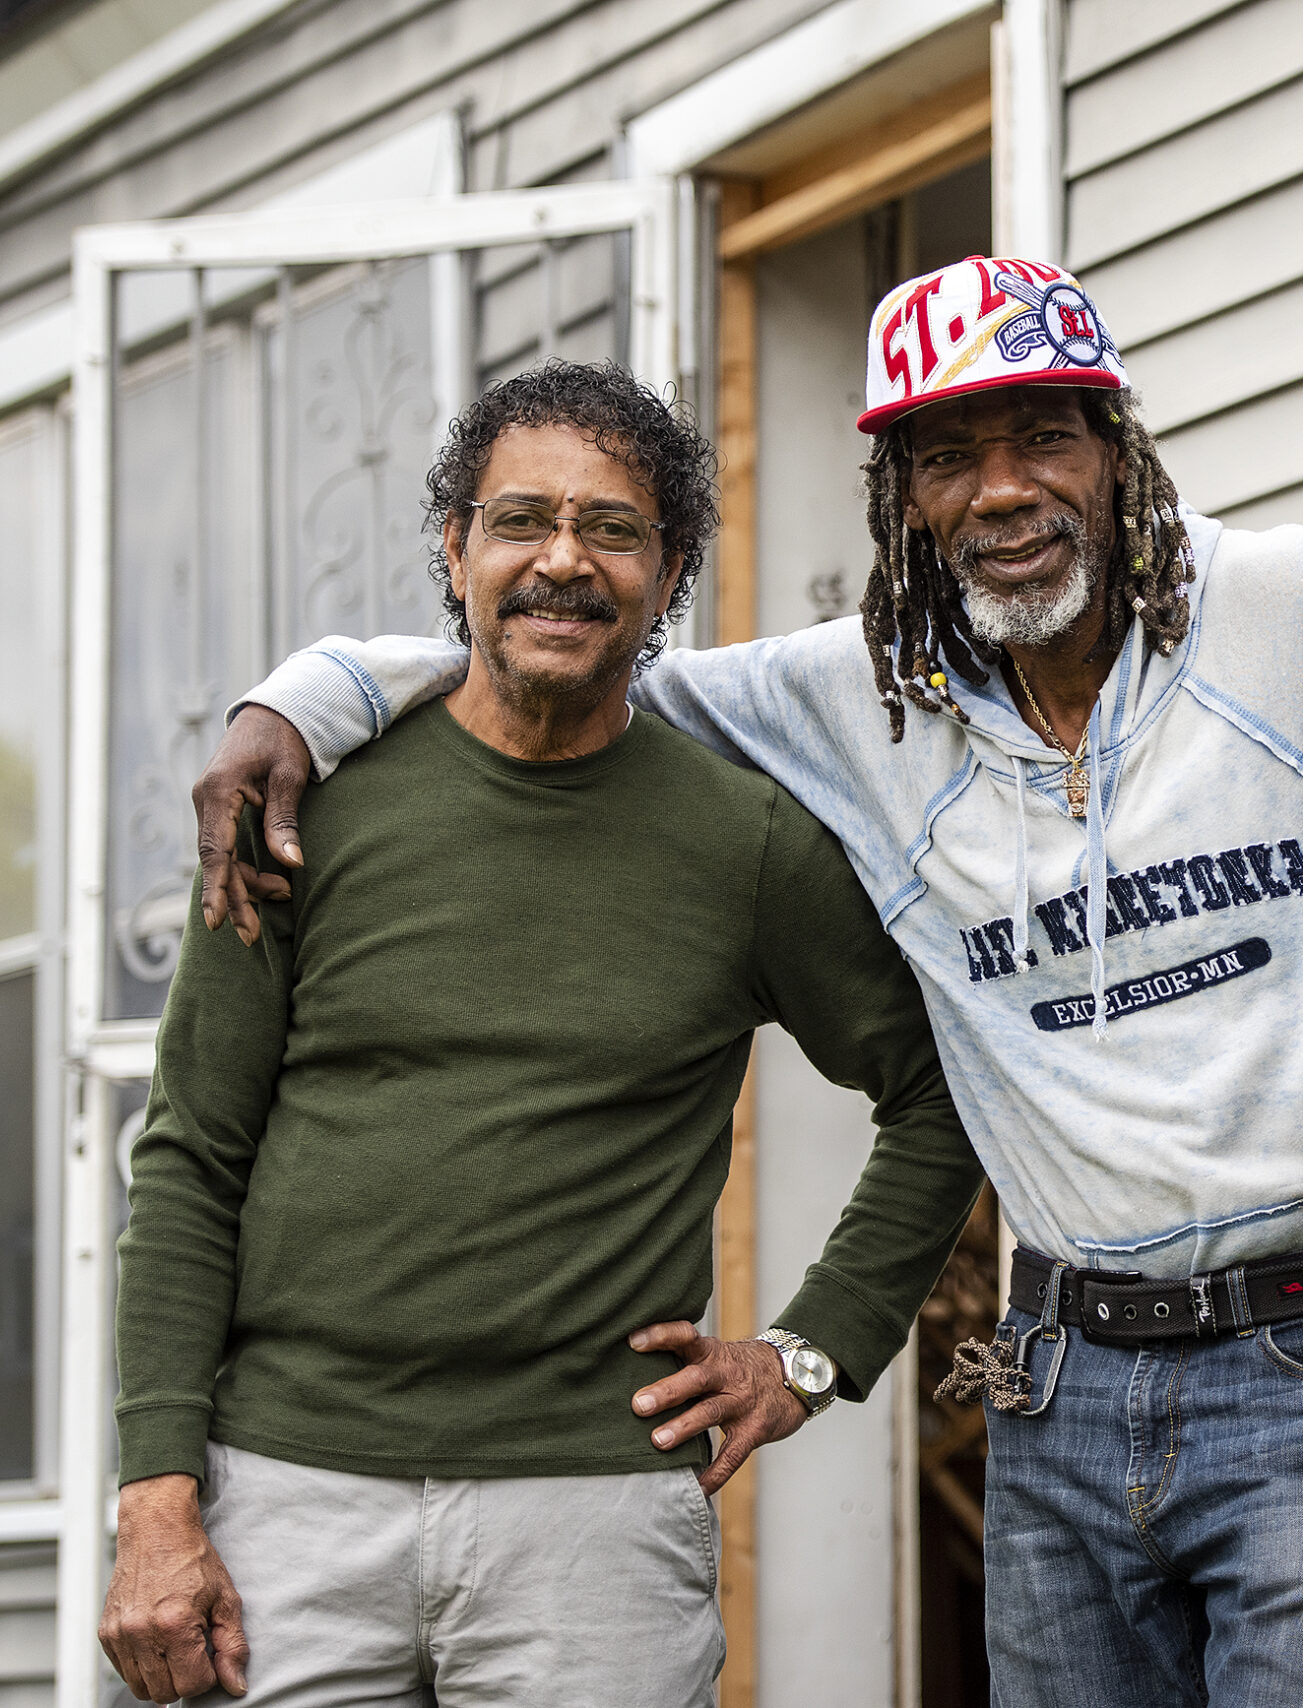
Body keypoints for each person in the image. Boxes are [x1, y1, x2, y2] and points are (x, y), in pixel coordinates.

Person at [191, 253, 1303, 1705]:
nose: (1003, 489)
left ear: (1112, 446)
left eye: (1041, 435)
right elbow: (555, 636)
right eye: (949, 455)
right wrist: (301, 698)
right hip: (1055, 1375)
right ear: (903, 497)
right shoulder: (840, 699)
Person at [98, 364, 983, 1705]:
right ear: (453, 551)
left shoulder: (743, 845)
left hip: (596, 1522)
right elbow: (189, 1161)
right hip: (286, 1497)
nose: (562, 561)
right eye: (521, 522)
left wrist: (812, 1351)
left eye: (614, 531)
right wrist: (157, 1495)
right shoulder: (298, 813)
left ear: (667, 568)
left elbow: (939, 1089)